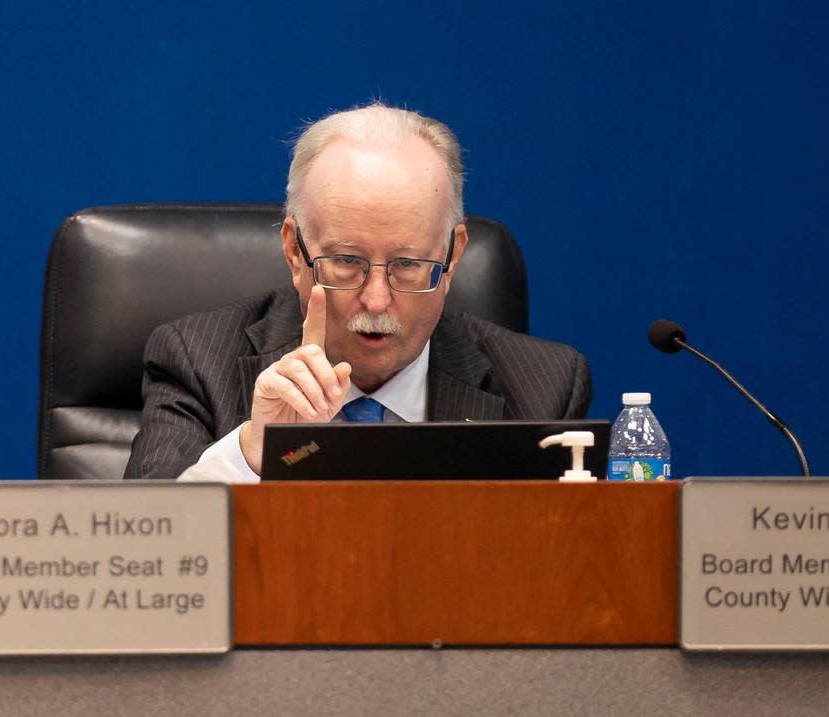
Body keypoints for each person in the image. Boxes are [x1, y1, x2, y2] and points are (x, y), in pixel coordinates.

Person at [124, 103, 591, 481]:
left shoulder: (545, 387)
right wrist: (252, 456)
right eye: (347, 262)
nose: (377, 302)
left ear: (452, 258)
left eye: (408, 265)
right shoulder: (197, 362)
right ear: (293, 250)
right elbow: (146, 562)